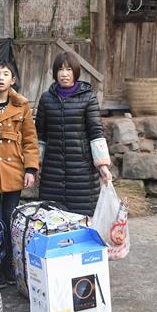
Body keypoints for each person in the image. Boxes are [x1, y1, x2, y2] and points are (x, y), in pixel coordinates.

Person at [0, 61, 39, 285]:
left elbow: (31, 140)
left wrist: (31, 168)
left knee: (11, 220)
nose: (1, 78)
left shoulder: (22, 106)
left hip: (14, 171)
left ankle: (13, 267)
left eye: (6, 74)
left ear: (12, 80)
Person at [35, 51, 112, 215]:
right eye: (60, 70)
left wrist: (102, 165)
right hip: (52, 170)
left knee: (82, 216)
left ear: (75, 72)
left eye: (69, 70)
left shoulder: (88, 97)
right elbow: (40, 135)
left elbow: (96, 132)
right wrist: (36, 164)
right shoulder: (46, 99)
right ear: (55, 73)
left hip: (82, 169)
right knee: (52, 217)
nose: (64, 74)